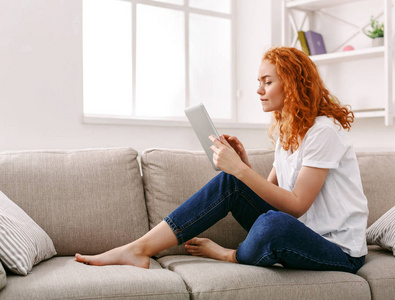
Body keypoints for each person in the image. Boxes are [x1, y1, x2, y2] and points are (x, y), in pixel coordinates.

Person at [75, 47, 368, 273]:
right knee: (233, 184)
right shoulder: (288, 132)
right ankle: (139, 248)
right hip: (299, 230)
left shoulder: (323, 131)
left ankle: (231, 255)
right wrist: (243, 168)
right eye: (259, 82)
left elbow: (296, 204)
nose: (259, 90)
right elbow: (269, 199)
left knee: (274, 226)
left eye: (268, 82)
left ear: (292, 85)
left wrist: (241, 170)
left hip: (337, 250)